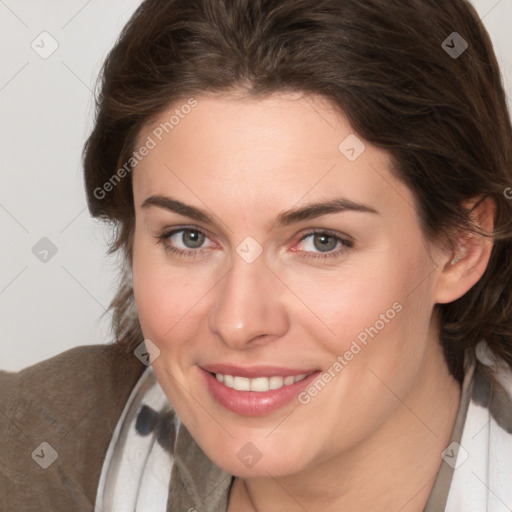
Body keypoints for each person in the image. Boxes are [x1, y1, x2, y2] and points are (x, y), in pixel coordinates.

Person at [1, 0, 512, 510]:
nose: (239, 322)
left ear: (461, 248)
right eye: (189, 237)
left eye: (321, 241)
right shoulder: (37, 451)